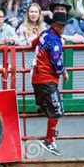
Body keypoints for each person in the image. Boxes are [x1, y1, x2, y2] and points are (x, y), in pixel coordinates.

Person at [31, 12, 69, 156]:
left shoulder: (45, 34)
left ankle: (51, 132)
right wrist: (63, 71)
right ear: (54, 25)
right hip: (47, 80)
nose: (62, 28)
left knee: (48, 108)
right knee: (57, 111)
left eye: (63, 25)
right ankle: (48, 140)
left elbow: (32, 44)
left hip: (37, 78)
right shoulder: (55, 40)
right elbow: (56, 60)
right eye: (60, 25)